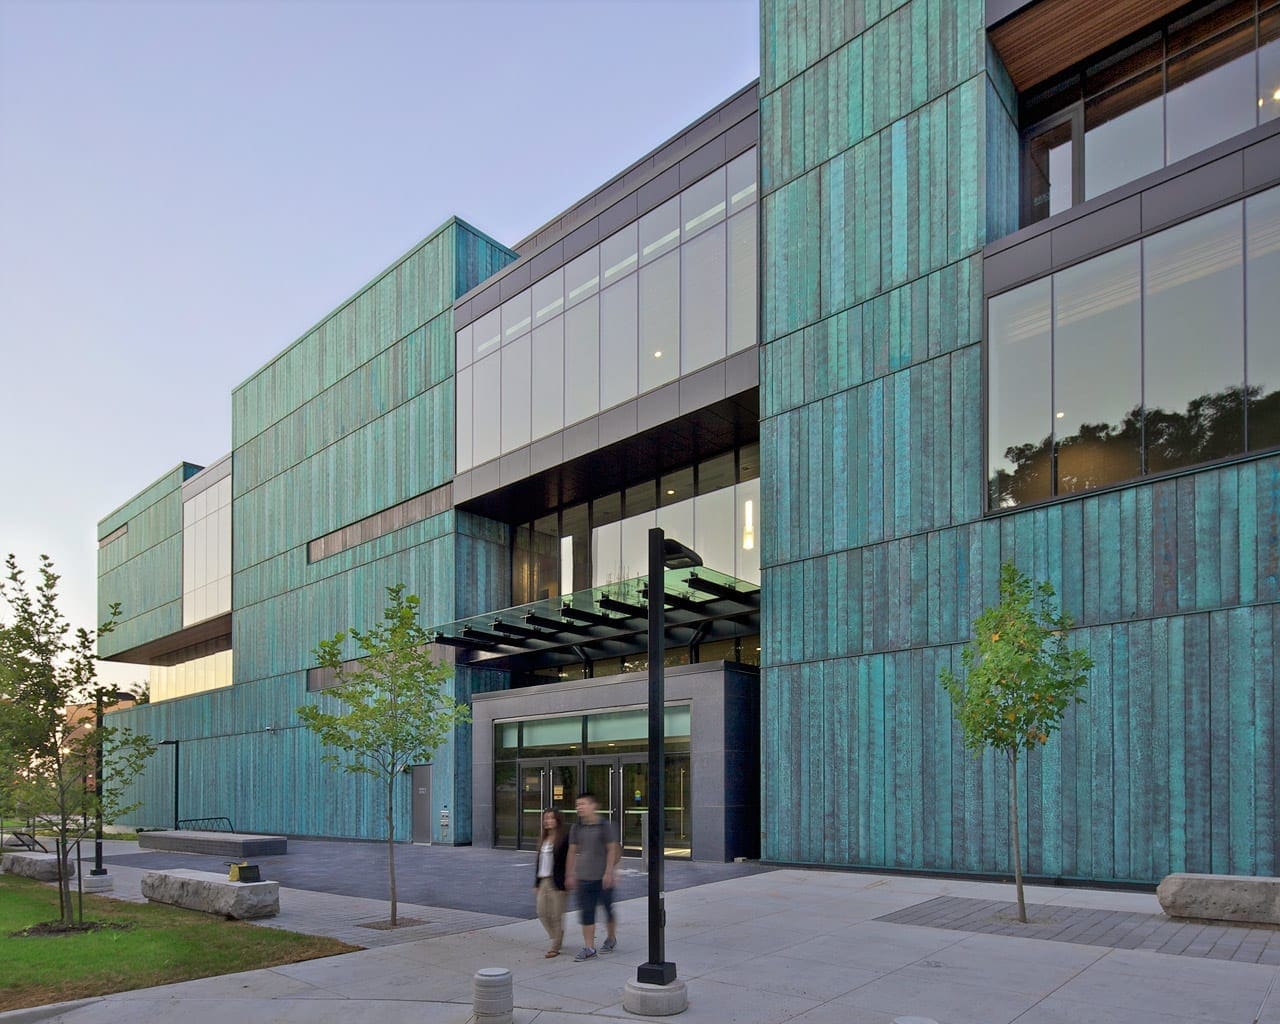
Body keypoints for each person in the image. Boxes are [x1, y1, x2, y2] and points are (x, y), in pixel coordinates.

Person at [566, 790, 621, 962]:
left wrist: (609, 871)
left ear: (593, 806)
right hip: (583, 877)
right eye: (577, 805)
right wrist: (569, 873)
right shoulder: (577, 827)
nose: (579, 808)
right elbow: (572, 851)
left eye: (583, 804)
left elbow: (612, 849)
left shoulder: (605, 826)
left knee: (607, 910)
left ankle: (611, 938)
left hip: (603, 878)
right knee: (587, 913)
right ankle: (589, 948)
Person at [533, 808, 569, 957]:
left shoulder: (564, 839)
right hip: (543, 880)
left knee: (556, 915)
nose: (548, 821)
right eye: (546, 818)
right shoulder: (543, 839)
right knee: (541, 912)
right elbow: (539, 862)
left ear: (557, 821)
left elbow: (568, 862)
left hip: (557, 882)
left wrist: (566, 881)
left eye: (551, 818)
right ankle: (556, 935)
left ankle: (555, 945)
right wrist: (536, 883)